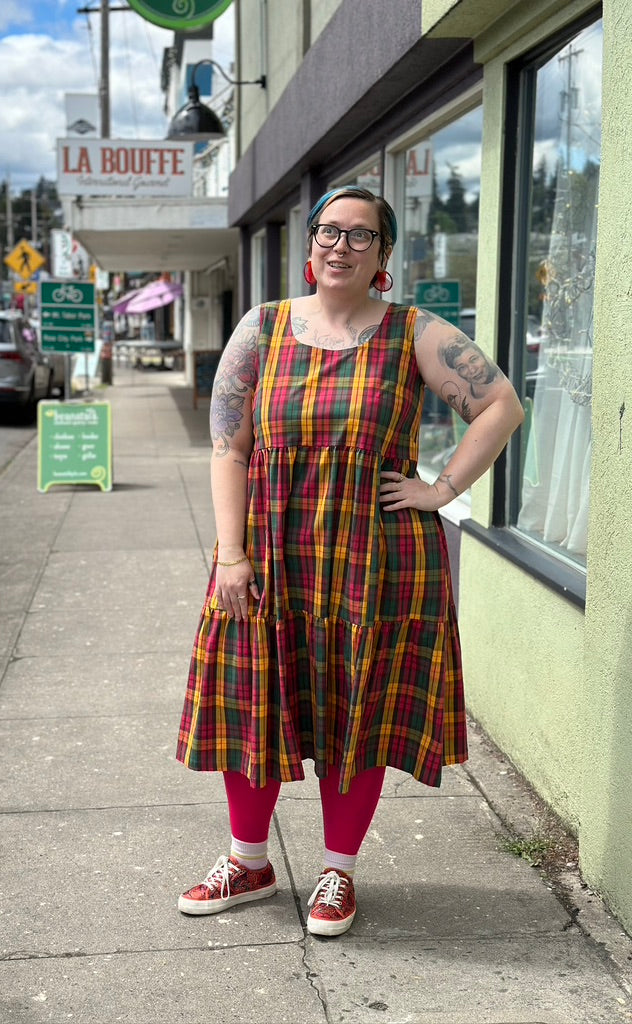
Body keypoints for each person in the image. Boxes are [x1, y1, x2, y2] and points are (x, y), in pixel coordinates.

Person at [176, 185, 524, 937]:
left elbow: (501, 405)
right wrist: (230, 552)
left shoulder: (414, 333)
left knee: (356, 705)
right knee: (250, 696)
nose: (342, 245)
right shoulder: (261, 328)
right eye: (330, 231)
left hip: (378, 555)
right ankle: (248, 860)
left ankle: (339, 870)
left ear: (384, 258)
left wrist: (442, 489)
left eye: (361, 236)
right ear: (310, 248)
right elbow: (228, 447)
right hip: (268, 551)